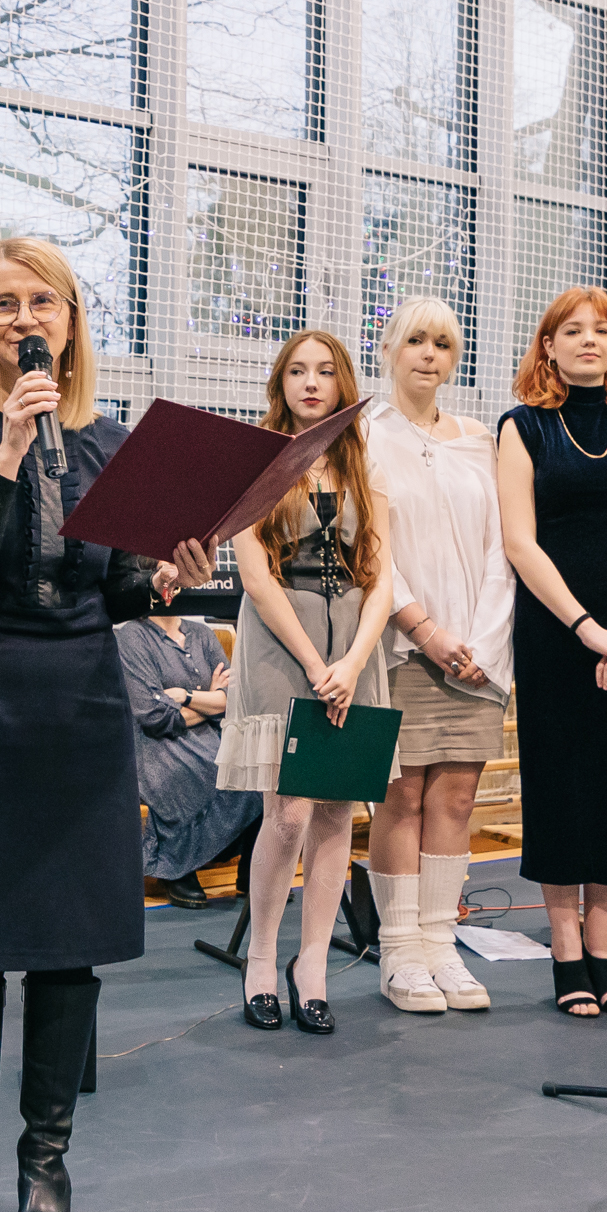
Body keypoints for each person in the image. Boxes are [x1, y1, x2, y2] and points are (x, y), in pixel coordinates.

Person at [0, 237, 209, 1212]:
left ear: (70, 321)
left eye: (43, 302)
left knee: (66, 942)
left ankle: (46, 1163)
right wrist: (8, 450)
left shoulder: (110, 443)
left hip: (77, 704)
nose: (23, 318)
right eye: (3, 303)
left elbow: (109, 589)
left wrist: (166, 576)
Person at [496, 288, 607, 1018]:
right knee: (561, 780)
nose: (589, 340)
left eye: (602, 329)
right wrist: (587, 629)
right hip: (555, 625)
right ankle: (566, 953)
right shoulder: (522, 426)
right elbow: (519, 541)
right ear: (549, 345)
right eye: (572, 330)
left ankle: (605, 951)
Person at [218, 329, 393, 1036]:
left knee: (336, 813)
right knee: (287, 811)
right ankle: (261, 958)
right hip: (280, 647)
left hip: (353, 647)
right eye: (298, 371)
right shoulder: (256, 464)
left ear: (343, 382)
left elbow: (382, 578)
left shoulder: (363, 468)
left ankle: (312, 965)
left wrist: (350, 662)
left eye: (324, 371)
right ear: (280, 383)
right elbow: (256, 577)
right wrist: (316, 666)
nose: (312, 382)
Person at [363, 299, 512, 1015]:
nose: (429, 354)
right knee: (400, 797)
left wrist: (481, 640)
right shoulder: (364, 434)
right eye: (417, 340)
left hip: (476, 652)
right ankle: (399, 950)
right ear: (389, 347)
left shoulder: (479, 439)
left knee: (456, 798)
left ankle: (440, 943)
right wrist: (425, 631)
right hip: (400, 645)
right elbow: (369, 549)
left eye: (444, 344)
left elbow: (501, 550)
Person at [116, 610, 261, 908]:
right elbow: (153, 715)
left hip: (212, 736)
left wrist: (185, 695)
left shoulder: (202, 635)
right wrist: (211, 698)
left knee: (256, 770)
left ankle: (252, 872)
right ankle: (179, 866)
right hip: (158, 744)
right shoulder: (131, 636)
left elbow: (235, 698)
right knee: (191, 772)